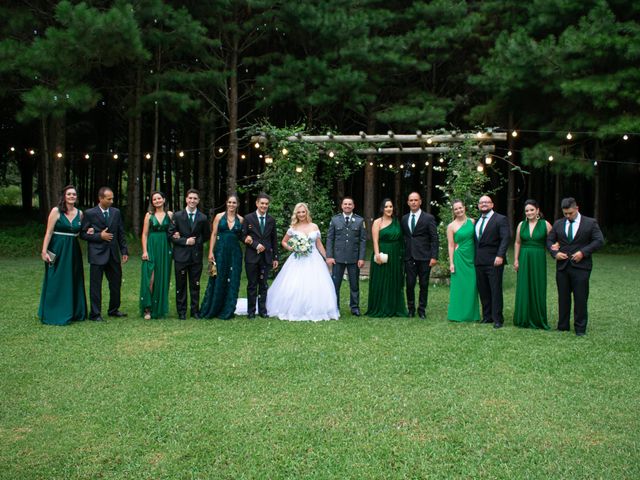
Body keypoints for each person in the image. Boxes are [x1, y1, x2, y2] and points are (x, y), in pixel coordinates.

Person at [267, 203, 339, 321]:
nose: (301, 214)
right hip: (297, 259)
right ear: (296, 214)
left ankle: (317, 309)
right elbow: (284, 242)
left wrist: (326, 257)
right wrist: (292, 248)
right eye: (298, 212)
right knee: (295, 284)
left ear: (307, 213)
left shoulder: (314, 226)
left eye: (303, 212)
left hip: (314, 259)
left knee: (315, 284)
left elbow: (318, 244)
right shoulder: (293, 228)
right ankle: (294, 309)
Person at [546, 197, 604, 336]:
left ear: (576, 208)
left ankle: (580, 328)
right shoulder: (558, 224)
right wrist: (555, 253)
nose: (567, 216)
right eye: (565, 213)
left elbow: (599, 241)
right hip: (562, 267)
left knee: (580, 298)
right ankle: (563, 326)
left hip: (581, 267)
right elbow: (549, 240)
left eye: (570, 213)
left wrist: (583, 253)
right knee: (563, 297)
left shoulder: (590, 223)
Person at [38, 185, 88, 325]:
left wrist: (88, 231)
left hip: (73, 250)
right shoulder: (56, 211)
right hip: (57, 249)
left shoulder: (80, 213)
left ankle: (74, 312)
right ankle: (53, 312)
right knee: (56, 279)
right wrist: (44, 251)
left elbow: (78, 232)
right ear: (64, 196)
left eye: (74, 194)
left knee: (73, 278)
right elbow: (48, 232)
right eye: (69, 194)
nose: (72, 196)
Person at [81, 186, 129, 321]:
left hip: (113, 254)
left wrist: (124, 250)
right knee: (96, 285)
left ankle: (114, 309)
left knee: (116, 283)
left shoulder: (116, 212)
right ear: (101, 198)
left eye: (112, 198)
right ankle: (95, 314)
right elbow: (83, 234)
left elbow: (120, 232)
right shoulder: (90, 213)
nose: (112, 201)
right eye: (109, 199)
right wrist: (99, 236)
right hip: (97, 255)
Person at [168, 189, 211, 320]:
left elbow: (206, 235)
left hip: (196, 256)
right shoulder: (177, 216)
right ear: (186, 199)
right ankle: (181, 311)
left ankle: (195, 310)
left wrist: (195, 241)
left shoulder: (203, 217)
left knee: (195, 284)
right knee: (180, 285)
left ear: (198, 201)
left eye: (195, 199)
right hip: (181, 256)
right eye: (190, 198)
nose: (192, 201)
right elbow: (170, 234)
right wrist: (185, 240)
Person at [201, 195, 244, 320]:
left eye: (234, 203)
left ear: (237, 205)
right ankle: (213, 307)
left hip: (235, 253)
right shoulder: (219, 217)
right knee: (217, 277)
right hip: (219, 251)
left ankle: (228, 309)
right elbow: (214, 234)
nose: (231, 204)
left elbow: (242, 236)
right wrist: (210, 252)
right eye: (229, 202)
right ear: (226, 203)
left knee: (233, 279)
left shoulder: (240, 220)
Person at [513, 199, 552, 329]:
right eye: (527, 211)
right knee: (524, 286)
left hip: (538, 257)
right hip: (524, 257)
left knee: (537, 285)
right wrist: (516, 259)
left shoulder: (545, 224)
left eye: (531, 210)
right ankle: (523, 318)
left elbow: (552, 241)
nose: (529, 212)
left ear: (537, 210)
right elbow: (517, 243)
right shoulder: (521, 225)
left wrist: (556, 248)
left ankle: (537, 318)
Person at [325, 197, 367, 316]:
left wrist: (361, 257)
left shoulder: (359, 220)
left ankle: (355, 307)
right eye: (345, 204)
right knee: (335, 284)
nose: (347, 206)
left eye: (350, 204)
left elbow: (363, 240)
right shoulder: (335, 220)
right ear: (342, 206)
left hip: (354, 258)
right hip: (337, 258)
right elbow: (330, 238)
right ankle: (335, 307)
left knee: (354, 284)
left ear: (353, 206)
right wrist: (329, 256)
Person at [366, 199, 407, 318]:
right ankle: (379, 307)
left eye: (391, 206)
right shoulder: (377, 222)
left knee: (393, 280)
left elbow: (400, 239)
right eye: (386, 207)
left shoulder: (396, 222)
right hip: (382, 254)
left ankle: (393, 307)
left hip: (395, 255)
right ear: (382, 209)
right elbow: (375, 240)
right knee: (381, 280)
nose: (389, 209)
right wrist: (377, 254)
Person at [400, 192, 439, 319]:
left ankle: (421, 309)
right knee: (410, 284)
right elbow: (404, 237)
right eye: (411, 200)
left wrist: (434, 256)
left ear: (420, 202)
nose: (413, 202)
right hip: (409, 257)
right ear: (408, 202)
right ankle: (411, 309)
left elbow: (434, 238)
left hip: (424, 257)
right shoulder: (404, 218)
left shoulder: (428, 218)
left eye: (416, 200)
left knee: (423, 284)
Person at [474, 195, 510, 328]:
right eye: (481, 202)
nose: (484, 204)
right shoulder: (477, 221)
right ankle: (487, 316)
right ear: (478, 206)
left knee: (495, 290)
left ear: (492, 205)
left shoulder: (500, 219)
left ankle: (497, 319)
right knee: (483, 290)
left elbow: (505, 238)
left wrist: (500, 255)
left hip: (494, 261)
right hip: (479, 261)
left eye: (486, 202)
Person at [242, 193, 279, 318]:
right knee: (252, 284)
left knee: (263, 284)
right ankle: (251, 311)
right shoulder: (248, 218)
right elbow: (242, 236)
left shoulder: (271, 220)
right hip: (252, 257)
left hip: (266, 257)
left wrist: (275, 257)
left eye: (266, 204)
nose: (264, 206)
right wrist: (254, 244)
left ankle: (263, 310)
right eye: (262, 203)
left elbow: (274, 239)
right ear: (257, 203)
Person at [139, 191, 173, 320]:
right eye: (154, 199)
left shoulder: (170, 215)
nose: (157, 201)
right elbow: (144, 234)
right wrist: (145, 251)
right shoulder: (149, 215)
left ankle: (158, 307)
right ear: (152, 202)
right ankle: (147, 308)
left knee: (162, 277)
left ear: (164, 200)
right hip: (152, 247)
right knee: (150, 278)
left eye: (159, 198)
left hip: (165, 248)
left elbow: (173, 230)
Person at [446, 199, 480, 322]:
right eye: (456, 209)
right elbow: (450, 245)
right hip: (459, 258)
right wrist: (451, 263)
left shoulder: (472, 222)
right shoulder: (451, 226)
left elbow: (478, 239)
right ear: (453, 211)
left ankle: (472, 314)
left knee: (471, 286)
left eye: (460, 208)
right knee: (459, 287)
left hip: (471, 257)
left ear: (464, 208)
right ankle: (457, 314)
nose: (459, 210)